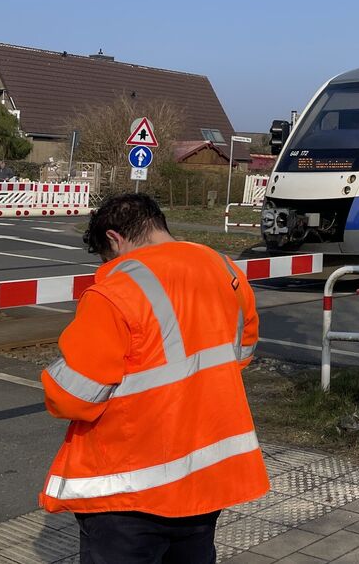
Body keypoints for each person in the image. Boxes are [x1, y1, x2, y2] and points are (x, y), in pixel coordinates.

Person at [40, 193, 269, 563]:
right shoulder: (226, 270)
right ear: (158, 225)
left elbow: (71, 398)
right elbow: (240, 354)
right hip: (204, 477)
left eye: (106, 256)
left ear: (114, 240)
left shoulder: (115, 291)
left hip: (129, 488)